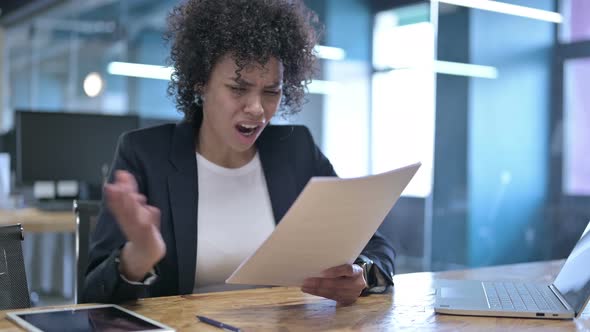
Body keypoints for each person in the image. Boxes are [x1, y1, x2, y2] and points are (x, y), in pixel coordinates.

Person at [83, 0, 395, 306]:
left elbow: (377, 248)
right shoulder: (145, 155)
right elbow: (91, 296)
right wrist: (138, 256)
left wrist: (362, 275)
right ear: (200, 82)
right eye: (238, 88)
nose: (258, 109)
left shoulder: (296, 150)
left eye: (271, 92)